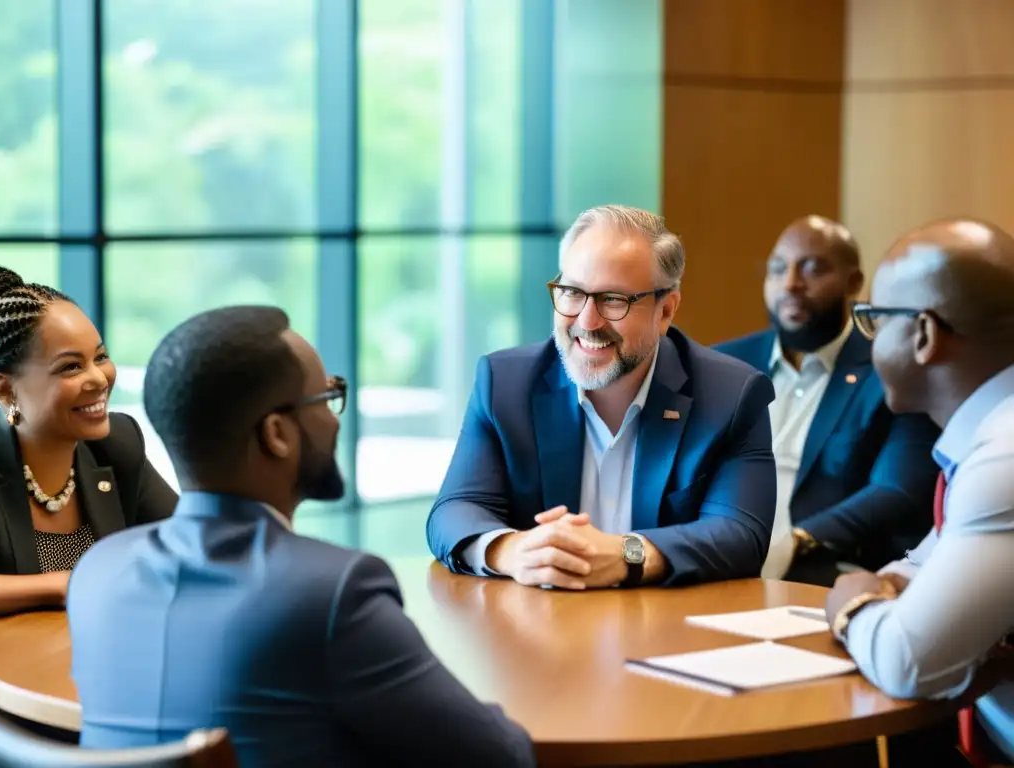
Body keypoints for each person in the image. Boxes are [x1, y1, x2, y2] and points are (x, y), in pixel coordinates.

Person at [66, 306, 535, 768]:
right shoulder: (330, 593)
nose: (334, 420)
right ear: (277, 434)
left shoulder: (98, 571)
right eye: (326, 398)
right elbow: (498, 755)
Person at [426, 204, 777, 588]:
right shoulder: (505, 383)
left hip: (667, 631)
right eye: (573, 292)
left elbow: (741, 535)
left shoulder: (732, 394)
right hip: (539, 628)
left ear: (666, 311)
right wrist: (514, 550)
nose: (587, 322)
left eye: (613, 299)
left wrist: (627, 553)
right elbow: (454, 511)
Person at [826, 218, 1014, 765]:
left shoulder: (1004, 453)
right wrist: (895, 585)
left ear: (924, 335)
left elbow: (906, 661)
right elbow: (924, 564)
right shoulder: (989, 436)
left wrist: (852, 602)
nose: (868, 344)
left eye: (874, 321)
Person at [716, 216, 939, 586]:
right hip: (723, 564)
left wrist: (795, 545)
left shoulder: (890, 372)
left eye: (812, 269)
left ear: (854, 283)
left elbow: (897, 490)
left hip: (828, 574)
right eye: (777, 269)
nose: (790, 284)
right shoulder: (724, 364)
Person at [0, 266, 175, 616]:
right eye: (71, 367)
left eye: (100, 357)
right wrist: (64, 584)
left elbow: (188, 542)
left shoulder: (119, 445)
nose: (99, 379)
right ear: (6, 389)